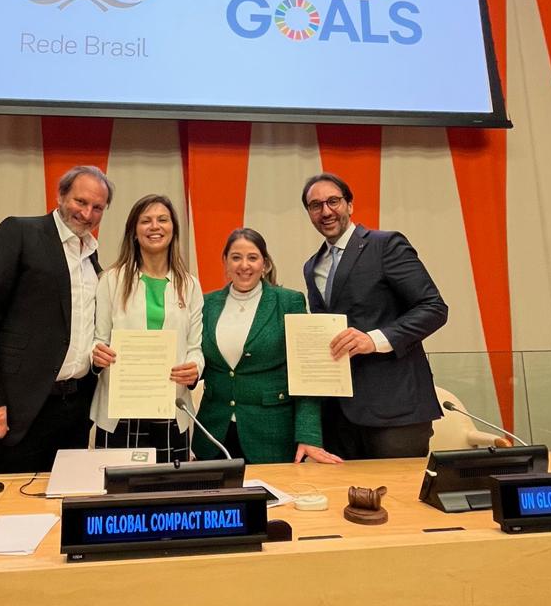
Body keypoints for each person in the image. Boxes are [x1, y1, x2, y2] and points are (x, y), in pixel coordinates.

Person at [0, 165, 114, 474]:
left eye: (97, 207)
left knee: (66, 498)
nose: (87, 213)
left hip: (75, 409)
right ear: (60, 196)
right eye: (80, 201)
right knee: (10, 500)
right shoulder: (20, 232)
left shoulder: (91, 258)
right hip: (18, 409)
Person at [302, 172, 448, 460]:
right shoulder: (312, 266)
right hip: (338, 417)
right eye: (316, 205)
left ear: (350, 205)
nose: (326, 211)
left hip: (396, 411)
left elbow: (433, 308)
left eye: (333, 201)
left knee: (400, 490)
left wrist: (374, 340)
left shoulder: (386, 245)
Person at [196, 228, 342, 465]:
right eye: (236, 257)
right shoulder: (206, 304)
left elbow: (305, 371)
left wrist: (308, 435)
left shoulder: (288, 302)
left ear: (264, 264)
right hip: (214, 435)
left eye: (252, 257)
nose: (244, 265)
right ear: (225, 262)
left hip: (271, 437)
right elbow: (199, 359)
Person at [90, 194, 203, 463]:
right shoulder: (111, 280)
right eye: (146, 221)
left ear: (173, 229)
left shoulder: (190, 285)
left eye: (163, 220)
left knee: (170, 487)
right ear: (134, 231)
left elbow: (195, 347)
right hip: (120, 412)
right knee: (117, 488)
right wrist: (97, 353)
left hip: (171, 408)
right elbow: (97, 339)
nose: (155, 226)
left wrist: (195, 368)